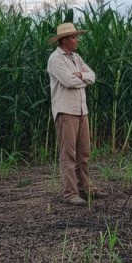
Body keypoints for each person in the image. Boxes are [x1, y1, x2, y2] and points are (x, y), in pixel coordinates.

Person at [47, 22, 103, 205]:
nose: (77, 39)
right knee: (68, 154)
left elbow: (92, 75)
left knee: (84, 153)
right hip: (66, 111)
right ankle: (70, 193)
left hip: (81, 110)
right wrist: (82, 77)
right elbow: (69, 81)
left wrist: (82, 76)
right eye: (74, 37)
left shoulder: (76, 58)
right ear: (64, 40)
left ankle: (84, 188)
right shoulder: (55, 59)